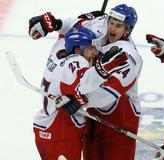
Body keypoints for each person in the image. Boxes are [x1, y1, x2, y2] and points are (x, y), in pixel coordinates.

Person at [28, 4, 142, 160]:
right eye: (112, 22)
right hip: (92, 117)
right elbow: (74, 27)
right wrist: (56, 23)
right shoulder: (100, 23)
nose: (112, 28)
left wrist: (81, 100)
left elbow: (109, 93)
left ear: (128, 30)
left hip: (120, 121)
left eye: (119, 26)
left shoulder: (129, 57)